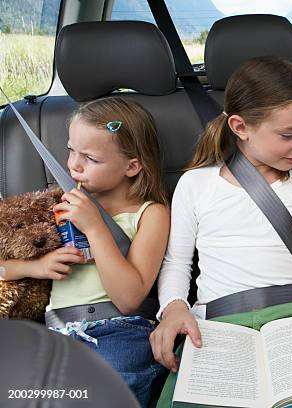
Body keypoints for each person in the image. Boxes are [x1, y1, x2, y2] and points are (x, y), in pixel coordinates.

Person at [150, 56, 292, 407]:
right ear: (241, 127)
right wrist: (175, 308)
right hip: (218, 326)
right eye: (289, 134)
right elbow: (177, 262)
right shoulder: (196, 184)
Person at [0, 97, 170, 407]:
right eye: (70, 150)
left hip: (120, 332)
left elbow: (129, 298)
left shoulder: (150, 213)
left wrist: (96, 228)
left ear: (132, 166)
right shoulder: (58, 203)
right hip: (56, 334)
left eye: (90, 157)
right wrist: (36, 268)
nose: (74, 165)